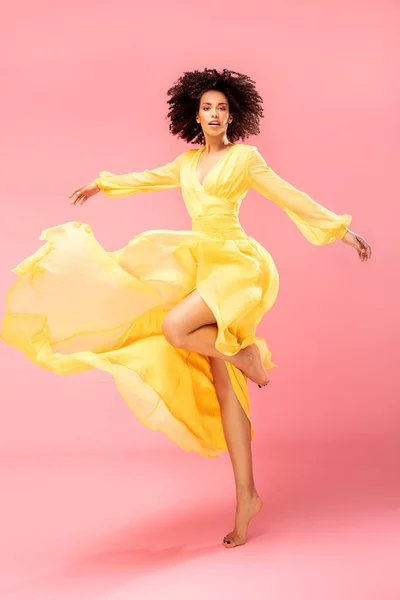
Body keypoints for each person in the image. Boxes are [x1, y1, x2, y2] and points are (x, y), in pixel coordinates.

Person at [1, 68, 371, 549]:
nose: (215, 114)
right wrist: (101, 184)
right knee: (224, 386)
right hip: (202, 267)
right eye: (207, 108)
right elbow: (145, 179)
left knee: (177, 327)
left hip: (237, 265)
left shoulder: (245, 158)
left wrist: (342, 231)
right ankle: (247, 497)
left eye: (222, 108)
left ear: (233, 114)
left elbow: (289, 197)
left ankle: (246, 356)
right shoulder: (186, 164)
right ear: (194, 116)